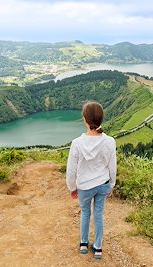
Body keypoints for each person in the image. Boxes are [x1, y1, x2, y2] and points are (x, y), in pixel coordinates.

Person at [66, 101, 117, 260]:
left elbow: (72, 170)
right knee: (99, 214)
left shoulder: (77, 143)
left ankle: (83, 243)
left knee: (86, 213)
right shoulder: (109, 141)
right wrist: (112, 185)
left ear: (85, 120)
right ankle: (98, 247)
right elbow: (112, 166)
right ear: (101, 119)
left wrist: (72, 188)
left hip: (84, 187)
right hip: (102, 185)